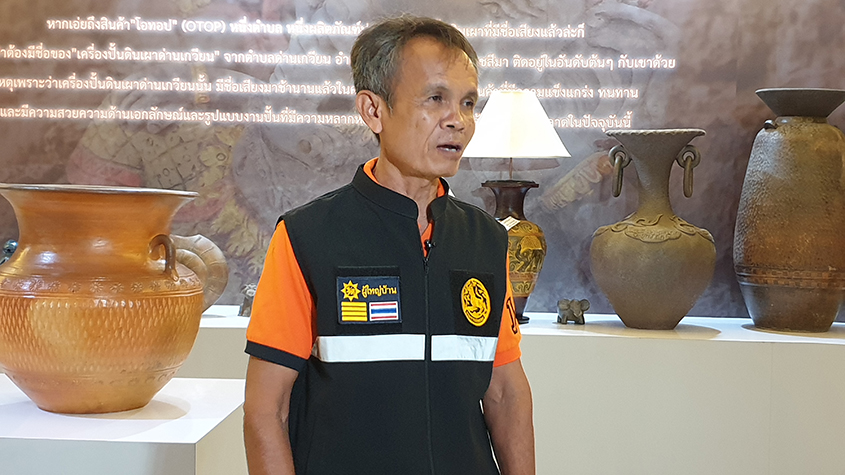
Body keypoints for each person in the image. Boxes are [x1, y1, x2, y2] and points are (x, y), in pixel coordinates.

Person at [243, 15, 535, 475]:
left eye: (468, 102)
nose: (456, 121)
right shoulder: (306, 237)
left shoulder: (486, 239)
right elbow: (266, 409)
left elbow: (505, 390)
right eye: (435, 98)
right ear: (374, 110)